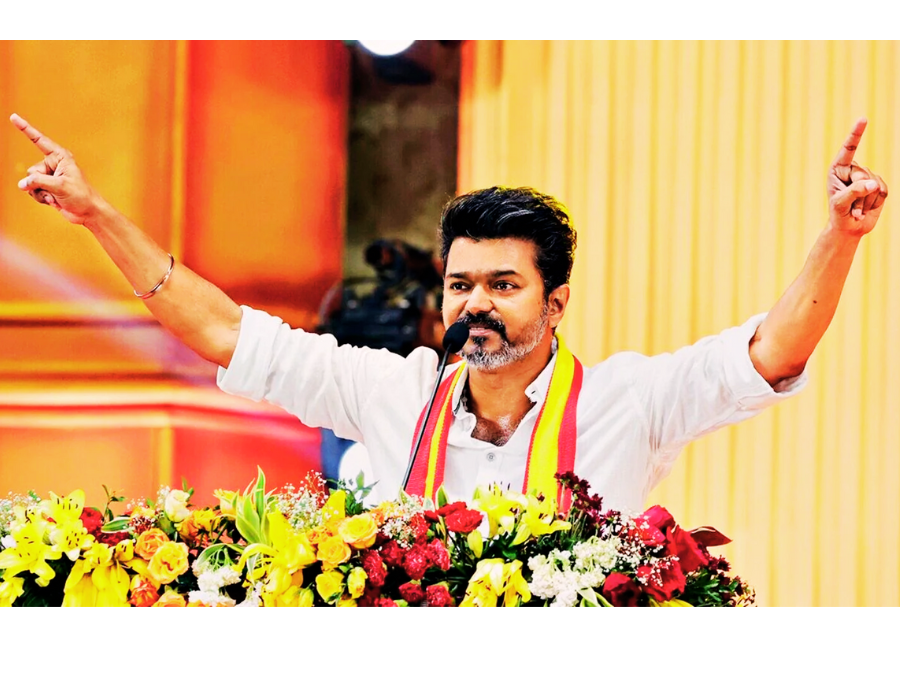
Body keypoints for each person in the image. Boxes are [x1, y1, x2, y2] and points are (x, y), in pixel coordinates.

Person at [8, 113, 889, 512]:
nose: (476, 305)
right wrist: (96, 214)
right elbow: (224, 332)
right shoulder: (391, 391)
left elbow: (771, 353)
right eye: (461, 284)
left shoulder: (631, 399)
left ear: (556, 301)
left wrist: (840, 236)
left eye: (504, 285)